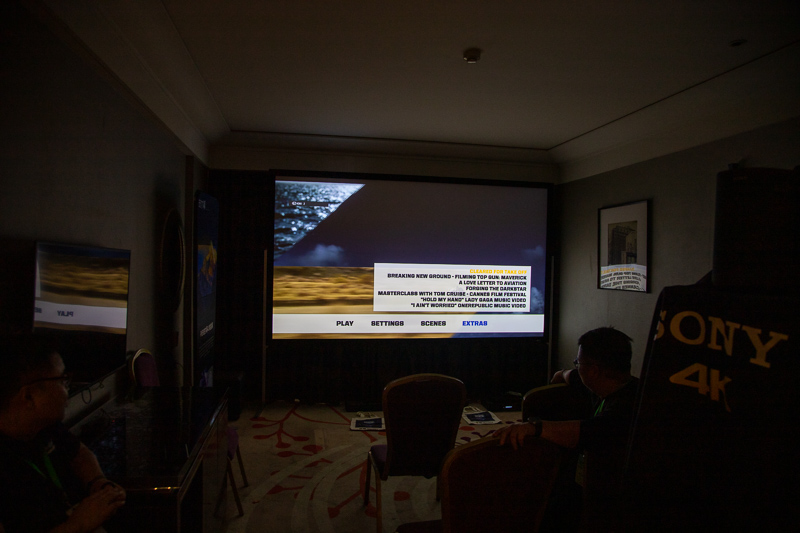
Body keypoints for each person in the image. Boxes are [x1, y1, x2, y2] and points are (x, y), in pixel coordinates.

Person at [493, 327, 639, 532]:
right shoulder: (611, 385)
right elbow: (568, 376)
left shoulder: (630, 407)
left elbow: (587, 432)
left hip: (614, 505)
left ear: (594, 371)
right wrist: (561, 374)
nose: (576, 367)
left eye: (578, 362)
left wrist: (534, 428)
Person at [0, 334, 126, 533]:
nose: (68, 389)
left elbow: (79, 453)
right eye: (62, 381)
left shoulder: (45, 426)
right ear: (29, 396)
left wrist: (97, 482)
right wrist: (78, 525)